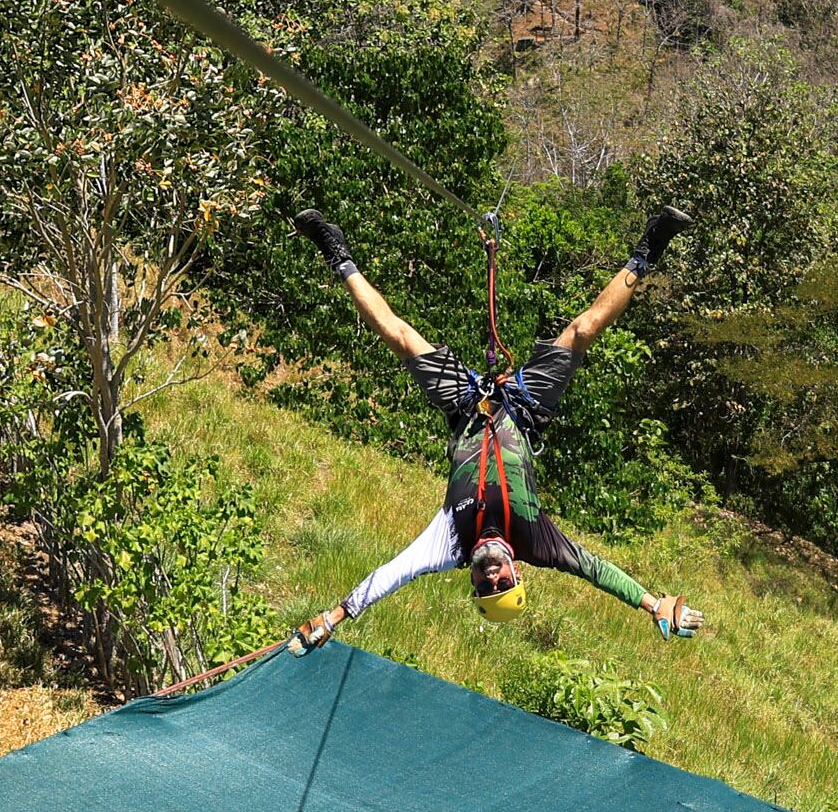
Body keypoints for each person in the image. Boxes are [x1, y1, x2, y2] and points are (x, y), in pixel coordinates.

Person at [288, 205, 704, 651]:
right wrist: (652, 603)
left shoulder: (448, 543)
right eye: (502, 583)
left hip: (468, 407)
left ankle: (335, 252)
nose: (491, 577)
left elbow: (391, 575)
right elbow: (596, 569)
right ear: (516, 572)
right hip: (524, 409)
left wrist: (331, 618)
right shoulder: (537, 541)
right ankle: (649, 248)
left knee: (400, 336)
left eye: (485, 587)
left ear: (471, 581)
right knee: (583, 330)